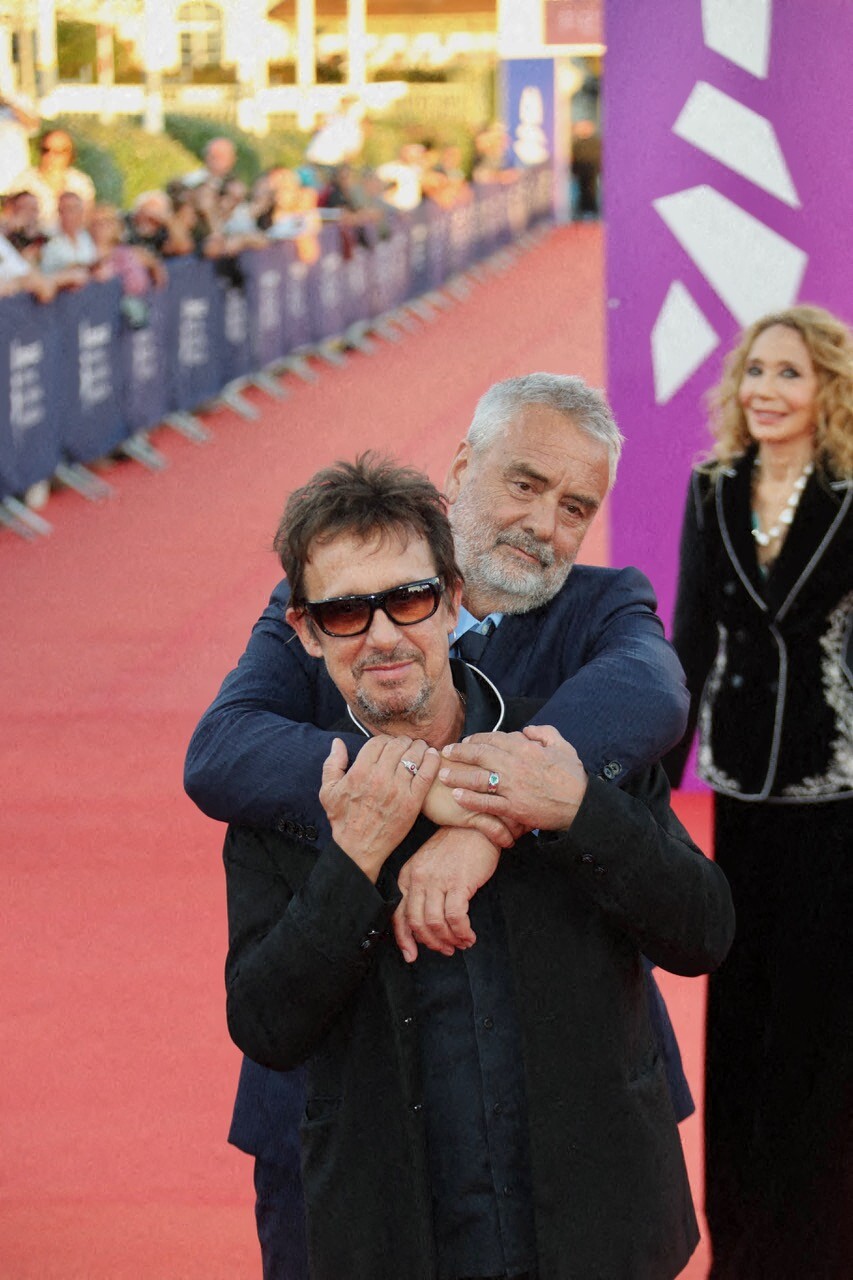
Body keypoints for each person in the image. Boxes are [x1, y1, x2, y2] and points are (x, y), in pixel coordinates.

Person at [186, 373, 695, 1277]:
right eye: (526, 484)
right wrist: (414, 790)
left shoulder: (598, 605)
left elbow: (653, 695)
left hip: (561, 1094)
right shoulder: (329, 604)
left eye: (576, 506)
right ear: (461, 466)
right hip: (345, 1108)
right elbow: (221, 750)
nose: (544, 524)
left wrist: (485, 817)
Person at [664, 305, 853, 1278]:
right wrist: (654, 780)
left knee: (820, 1029)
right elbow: (691, 637)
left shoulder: (851, 495)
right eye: (753, 372)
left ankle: (818, 1244)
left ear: (825, 387)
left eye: (788, 373)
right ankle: (740, 1245)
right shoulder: (711, 490)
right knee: (739, 1018)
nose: (765, 391)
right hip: (741, 786)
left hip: (836, 791)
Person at [10, 129, 95, 233]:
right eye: (46, 150)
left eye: (58, 151)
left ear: (70, 154)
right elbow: (11, 218)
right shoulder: (23, 182)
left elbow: (87, 219)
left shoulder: (81, 183)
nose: (51, 156)